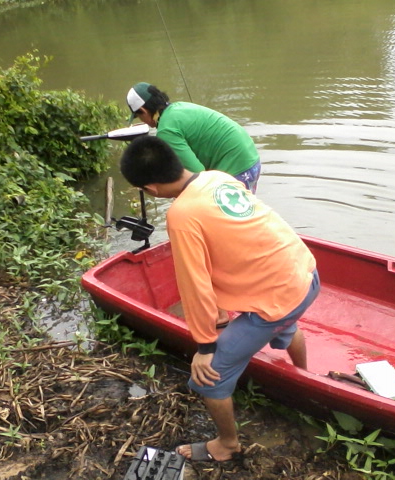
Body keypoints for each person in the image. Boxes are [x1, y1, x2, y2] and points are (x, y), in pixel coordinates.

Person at [119, 135, 320, 463]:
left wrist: (205, 347)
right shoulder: (218, 177)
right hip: (305, 274)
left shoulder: (181, 216)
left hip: (281, 296)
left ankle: (227, 445)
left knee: (209, 376)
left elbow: (194, 286)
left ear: (150, 189)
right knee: (285, 322)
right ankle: (305, 378)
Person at [126, 82, 262, 193]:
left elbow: (198, 178)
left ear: (143, 111)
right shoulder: (180, 107)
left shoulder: (166, 130)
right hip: (251, 158)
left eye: (139, 116)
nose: (142, 121)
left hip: (237, 168)